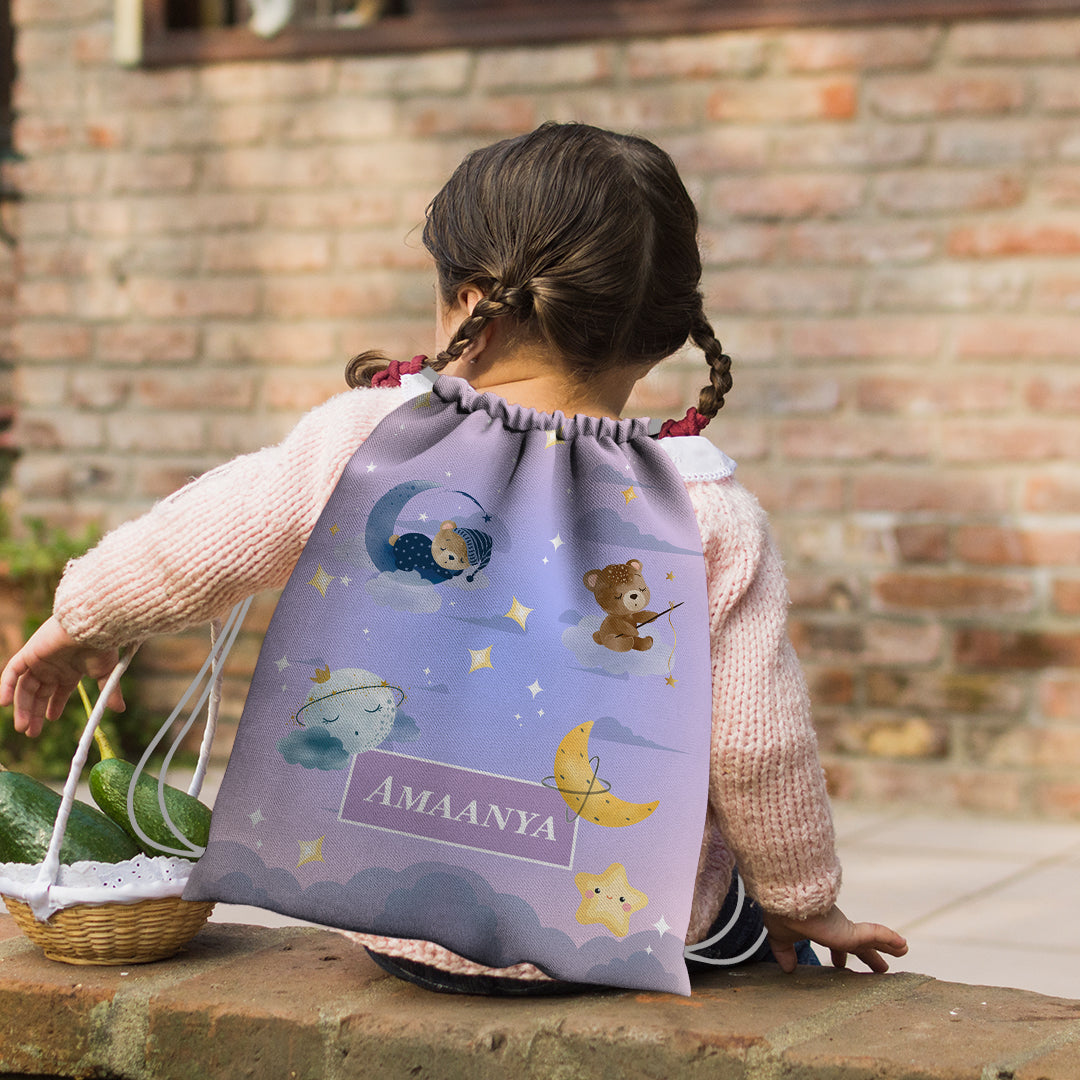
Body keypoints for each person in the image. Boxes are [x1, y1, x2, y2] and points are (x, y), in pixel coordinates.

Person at [0, 122, 906, 991]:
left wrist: (83, 623)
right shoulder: (703, 509)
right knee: (732, 900)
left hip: (399, 928)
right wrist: (803, 901)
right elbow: (755, 743)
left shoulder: (377, 440)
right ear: (668, 331)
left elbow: (196, 540)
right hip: (607, 936)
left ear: (470, 302)